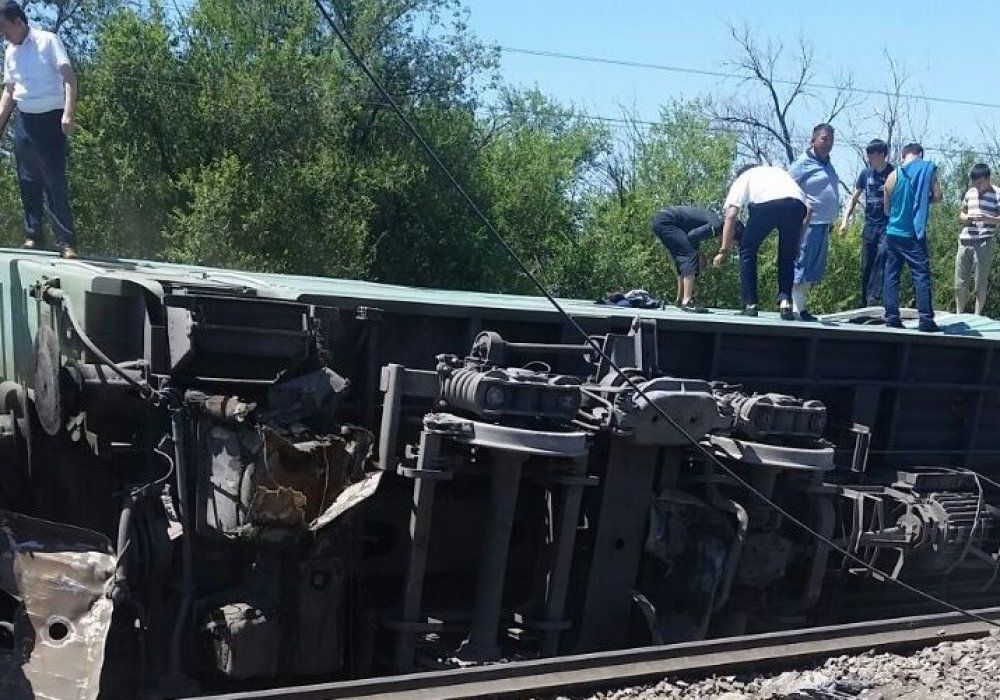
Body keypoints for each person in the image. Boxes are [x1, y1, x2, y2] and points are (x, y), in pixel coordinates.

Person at [0, 1, 77, 259]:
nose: (3, 33)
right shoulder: (10, 51)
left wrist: (68, 112)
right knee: (27, 180)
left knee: (54, 181)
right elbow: (10, 91)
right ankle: (34, 235)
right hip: (26, 121)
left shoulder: (48, 40)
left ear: (18, 22)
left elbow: (68, 78)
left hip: (52, 119)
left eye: (4, 27)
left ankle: (66, 242)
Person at [714, 165, 810, 319]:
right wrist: (796, 244)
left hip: (768, 205)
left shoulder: (744, 177)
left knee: (747, 249)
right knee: (787, 256)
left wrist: (723, 250)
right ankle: (785, 303)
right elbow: (809, 210)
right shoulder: (778, 173)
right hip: (797, 205)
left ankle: (750, 304)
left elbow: (731, 215)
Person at [882, 143, 941, 332]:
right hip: (913, 234)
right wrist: (924, 200)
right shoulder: (927, 170)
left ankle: (891, 317)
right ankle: (925, 320)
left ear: (903, 157)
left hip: (892, 233)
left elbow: (886, 209)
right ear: (920, 155)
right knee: (921, 275)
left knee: (891, 276)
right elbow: (938, 195)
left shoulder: (892, 177)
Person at [788, 123, 840, 321]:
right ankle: (795, 309)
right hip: (808, 223)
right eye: (824, 139)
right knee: (801, 264)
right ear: (813, 140)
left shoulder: (828, 164)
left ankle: (801, 307)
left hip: (824, 224)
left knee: (813, 268)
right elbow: (787, 186)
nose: (828, 144)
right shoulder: (802, 163)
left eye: (831, 140)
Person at [651, 206, 740, 312]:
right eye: (732, 243)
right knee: (689, 256)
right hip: (667, 221)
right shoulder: (717, 226)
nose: (729, 245)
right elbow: (692, 236)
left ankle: (680, 299)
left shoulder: (716, 220)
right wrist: (698, 255)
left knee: (683, 257)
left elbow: (693, 236)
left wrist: (697, 253)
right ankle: (687, 301)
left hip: (663, 219)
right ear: (731, 233)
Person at [840, 139, 892, 306]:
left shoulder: (893, 173)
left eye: (871, 153)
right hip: (870, 225)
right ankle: (864, 305)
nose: (868, 156)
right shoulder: (865, 174)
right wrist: (845, 220)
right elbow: (854, 197)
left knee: (883, 255)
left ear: (882, 154)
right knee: (866, 266)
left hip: (888, 225)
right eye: (867, 153)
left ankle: (874, 299)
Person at [955, 163, 1000, 315]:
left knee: (980, 281)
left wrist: (988, 218)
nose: (977, 186)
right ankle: (959, 313)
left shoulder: (997, 193)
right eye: (974, 183)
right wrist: (967, 217)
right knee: (960, 281)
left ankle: (977, 314)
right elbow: (961, 214)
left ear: (988, 179)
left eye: (980, 182)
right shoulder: (970, 193)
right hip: (966, 239)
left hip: (984, 240)